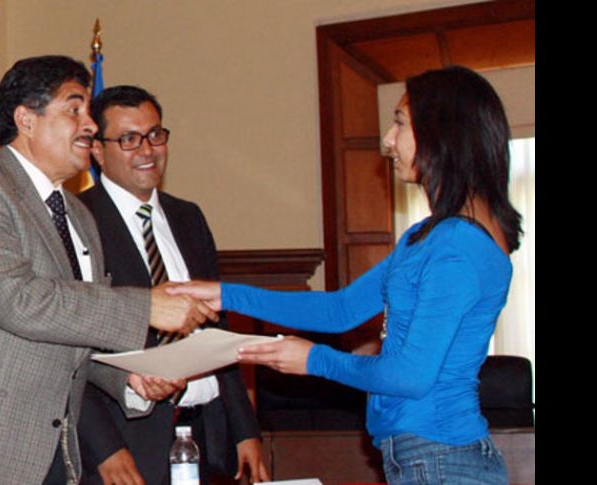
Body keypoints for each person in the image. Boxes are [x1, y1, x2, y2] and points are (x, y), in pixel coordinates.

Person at [171, 65, 521, 485]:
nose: (387, 140)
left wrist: (314, 360)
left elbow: (410, 376)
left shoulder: (457, 244)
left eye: (400, 123)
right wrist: (226, 295)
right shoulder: (431, 236)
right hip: (426, 458)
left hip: (442, 459)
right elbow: (341, 310)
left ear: (442, 133)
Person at [0, 56, 215, 485]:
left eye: (88, 112)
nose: (90, 125)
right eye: (74, 109)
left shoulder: (78, 216)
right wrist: (145, 308)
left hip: (55, 454)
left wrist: (129, 379)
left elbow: (69, 339)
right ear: (26, 119)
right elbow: (18, 301)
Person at [76, 85, 269, 485]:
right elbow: (69, 350)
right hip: (127, 442)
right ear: (97, 150)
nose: (147, 150)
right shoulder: (78, 220)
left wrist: (244, 430)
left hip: (206, 435)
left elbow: (217, 327)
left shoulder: (188, 217)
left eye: (155, 134)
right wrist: (104, 448)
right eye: (129, 139)